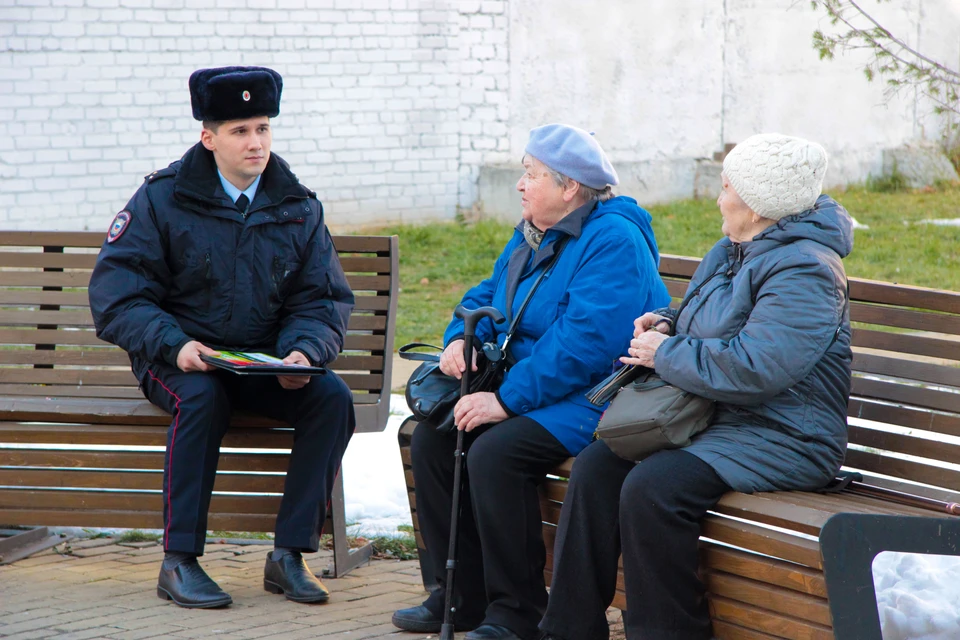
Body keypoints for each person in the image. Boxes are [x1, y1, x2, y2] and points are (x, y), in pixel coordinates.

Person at [538, 133, 854, 640]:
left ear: (756, 205)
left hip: (786, 435)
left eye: (726, 187)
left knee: (653, 487)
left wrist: (665, 354)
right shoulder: (735, 248)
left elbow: (758, 367)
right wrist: (665, 323)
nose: (717, 198)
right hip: (721, 418)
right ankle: (569, 628)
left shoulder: (806, 270)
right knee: (600, 463)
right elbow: (700, 316)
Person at [88, 66, 356, 609]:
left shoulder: (298, 205)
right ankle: (180, 561)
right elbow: (118, 296)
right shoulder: (162, 199)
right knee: (203, 398)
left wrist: (302, 352)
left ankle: (288, 556)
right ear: (208, 138)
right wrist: (174, 345)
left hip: (260, 363)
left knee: (332, 397)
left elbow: (320, 300)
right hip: (178, 359)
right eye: (239, 131)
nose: (255, 142)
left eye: (262, 128)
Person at [391, 124, 672, 640]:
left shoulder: (613, 240)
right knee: (433, 436)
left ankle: (516, 612)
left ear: (569, 188)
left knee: (496, 451)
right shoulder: (534, 232)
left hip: (598, 395)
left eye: (531, 174)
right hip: (538, 385)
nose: (521, 185)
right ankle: (459, 598)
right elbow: (486, 295)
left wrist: (503, 400)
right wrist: (462, 338)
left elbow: (584, 347)